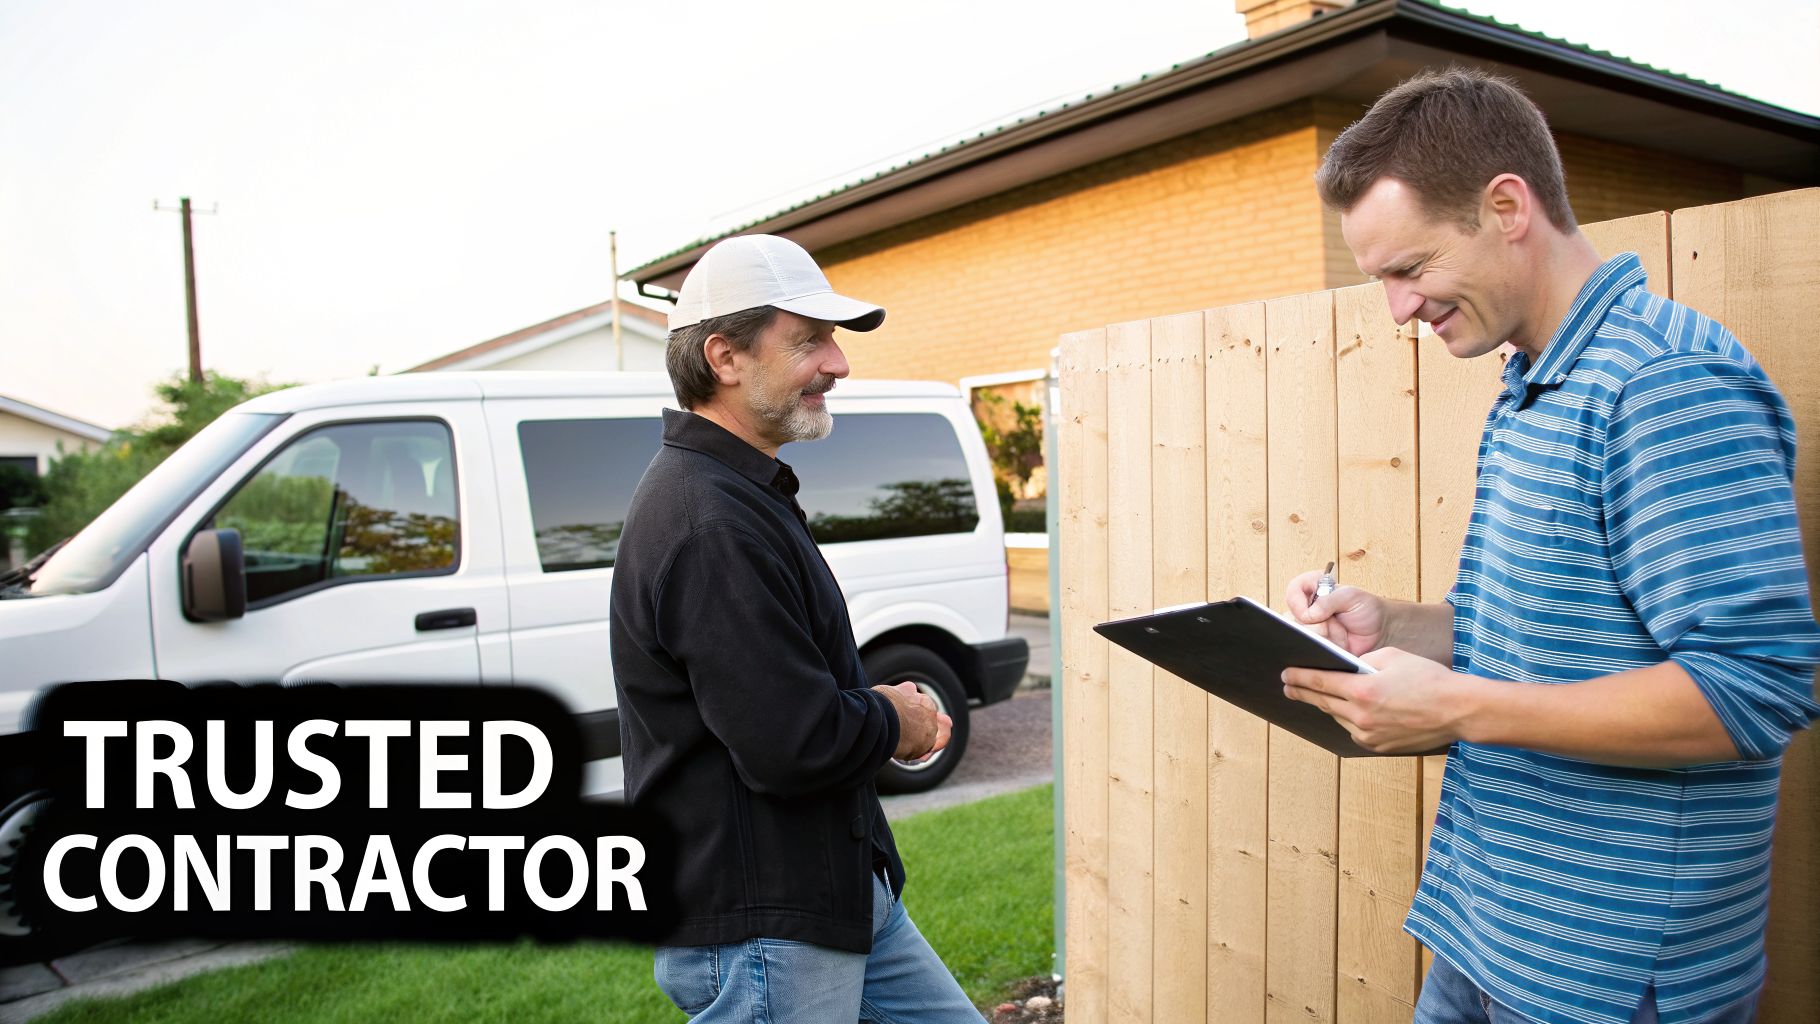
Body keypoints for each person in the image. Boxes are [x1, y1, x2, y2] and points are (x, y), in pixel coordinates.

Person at [1284, 68, 1820, 1024]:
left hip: (1609, 977)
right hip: (1488, 930)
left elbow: (1756, 686)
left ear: (1505, 206)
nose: (1398, 310)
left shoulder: (1664, 383)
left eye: (1409, 270)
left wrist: (1452, 707)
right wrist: (1396, 626)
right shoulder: (1534, 380)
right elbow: (1545, 634)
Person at [609, 233, 986, 1023]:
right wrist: (899, 718)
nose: (839, 363)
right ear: (724, 356)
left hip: (834, 892)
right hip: (763, 924)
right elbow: (791, 740)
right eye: (808, 340)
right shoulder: (709, 519)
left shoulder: (740, 492)